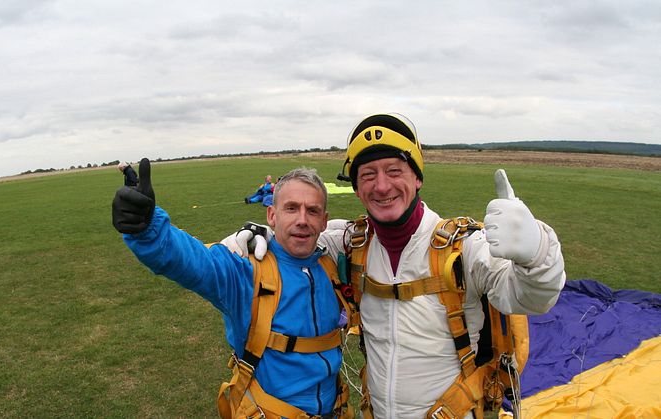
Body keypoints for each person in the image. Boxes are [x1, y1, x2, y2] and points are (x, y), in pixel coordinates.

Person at [223, 113, 566, 418]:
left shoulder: (465, 248)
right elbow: (300, 235)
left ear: (417, 178)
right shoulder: (350, 242)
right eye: (368, 174)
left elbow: (530, 297)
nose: (382, 185)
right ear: (356, 188)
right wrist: (256, 234)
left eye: (394, 171)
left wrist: (537, 253)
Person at [111, 161, 351, 418]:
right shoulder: (245, 271)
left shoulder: (333, 266)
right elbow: (194, 262)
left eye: (312, 211)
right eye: (291, 208)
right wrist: (149, 230)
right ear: (272, 215)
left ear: (324, 221)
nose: (302, 220)